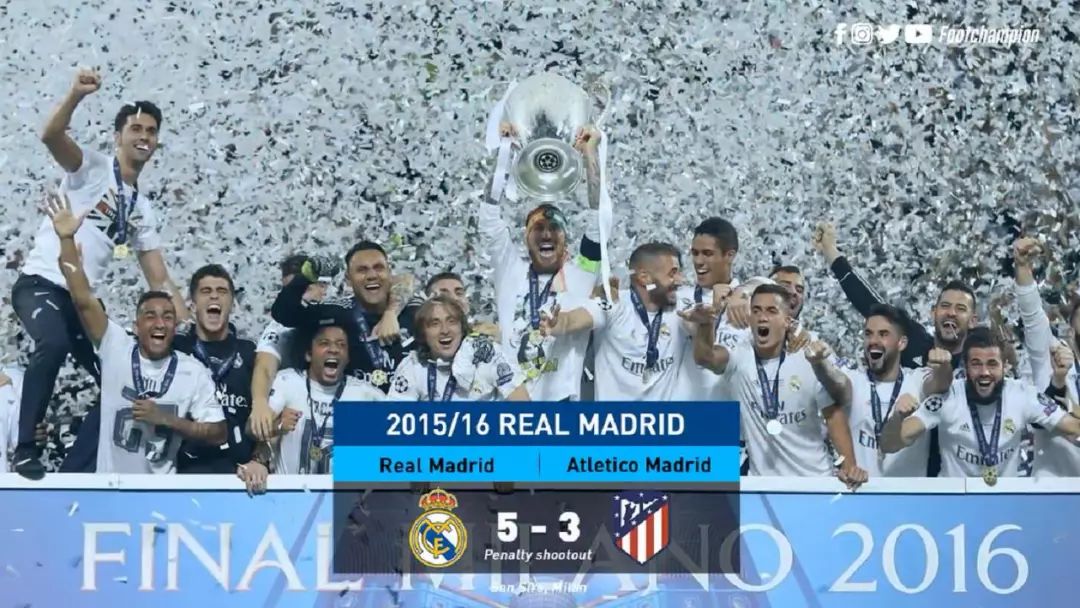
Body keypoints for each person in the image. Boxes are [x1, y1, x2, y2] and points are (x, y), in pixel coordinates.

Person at [11, 69, 187, 479]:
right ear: (117, 136)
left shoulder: (142, 209)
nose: (144, 136)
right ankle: (24, 449)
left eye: (151, 131)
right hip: (40, 284)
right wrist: (75, 94)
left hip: (81, 301)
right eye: (136, 128)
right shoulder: (91, 168)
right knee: (53, 343)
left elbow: (158, 279)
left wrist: (187, 322)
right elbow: (50, 136)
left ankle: (81, 471)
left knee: (120, 379)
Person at [47, 193, 225, 474]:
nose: (159, 323)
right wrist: (67, 239)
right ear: (135, 326)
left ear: (175, 327)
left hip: (159, 491)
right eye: (150, 316)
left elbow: (219, 433)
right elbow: (83, 299)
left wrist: (169, 420)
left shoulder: (192, 371)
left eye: (168, 317)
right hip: (111, 488)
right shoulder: (115, 347)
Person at [689, 283, 866, 486]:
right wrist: (706, 324)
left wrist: (849, 466)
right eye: (756, 311)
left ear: (787, 321)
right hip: (762, 485)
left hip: (813, 482)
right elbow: (705, 357)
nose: (762, 317)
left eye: (771, 311)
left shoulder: (807, 357)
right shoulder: (740, 356)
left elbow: (833, 414)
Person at [880, 327, 1080, 483]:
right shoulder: (948, 398)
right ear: (966, 367)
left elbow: (1074, 428)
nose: (984, 372)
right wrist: (897, 418)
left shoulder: (1022, 394)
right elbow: (889, 444)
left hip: (1003, 504)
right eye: (976, 364)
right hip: (955, 503)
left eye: (992, 364)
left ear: (1005, 367)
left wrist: (1067, 394)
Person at [542, 243, 692, 401]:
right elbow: (576, 319)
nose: (680, 280)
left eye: (679, 273)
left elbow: (700, 319)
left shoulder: (681, 308)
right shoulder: (616, 304)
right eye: (672, 273)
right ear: (645, 278)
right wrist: (558, 324)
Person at [270, 243, 419, 392]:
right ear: (348, 279)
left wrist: (391, 313)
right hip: (352, 404)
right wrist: (305, 276)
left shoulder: (414, 310)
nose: (372, 275)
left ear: (389, 271)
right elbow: (284, 314)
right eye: (362, 270)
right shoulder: (336, 311)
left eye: (379, 267)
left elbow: (407, 279)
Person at [172, 265, 261, 479]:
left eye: (222, 291)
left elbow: (263, 413)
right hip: (183, 472)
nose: (214, 296)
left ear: (232, 303)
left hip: (240, 475)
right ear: (192, 305)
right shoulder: (176, 349)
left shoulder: (249, 352)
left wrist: (259, 459)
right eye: (206, 291)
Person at [264, 323, 385, 475]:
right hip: (291, 489)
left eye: (341, 345)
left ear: (348, 358)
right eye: (324, 343)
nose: (334, 349)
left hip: (343, 489)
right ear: (309, 354)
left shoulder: (366, 395)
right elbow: (252, 430)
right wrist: (277, 426)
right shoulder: (287, 382)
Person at [843, 304, 932, 477]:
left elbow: (940, 382)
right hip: (860, 489)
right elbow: (833, 378)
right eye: (868, 334)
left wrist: (944, 365)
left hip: (906, 492)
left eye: (883, 334)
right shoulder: (853, 380)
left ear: (902, 343)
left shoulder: (917, 380)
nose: (873, 341)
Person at [248, 254, 327, 441]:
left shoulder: (339, 315)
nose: (298, 298)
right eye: (290, 291)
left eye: (304, 288)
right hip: (298, 412)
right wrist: (259, 403)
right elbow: (265, 366)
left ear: (322, 287)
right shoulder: (279, 325)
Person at [389, 296, 529, 401]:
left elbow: (523, 406)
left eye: (452, 322)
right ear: (423, 333)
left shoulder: (486, 353)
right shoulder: (413, 366)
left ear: (462, 328)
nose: (445, 330)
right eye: (435, 324)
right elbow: (395, 419)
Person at [672, 218, 739, 401]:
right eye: (695, 253)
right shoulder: (678, 298)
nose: (698, 261)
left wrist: (743, 292)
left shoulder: (748, 302)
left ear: (730, 255)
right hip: (682, 411)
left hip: (727, 411)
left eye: (707, 254)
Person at [424, 271, 500, 339]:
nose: (455, 298)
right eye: (444, 295)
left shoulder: (488, 334)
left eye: (459, 293)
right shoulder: (421, 341)